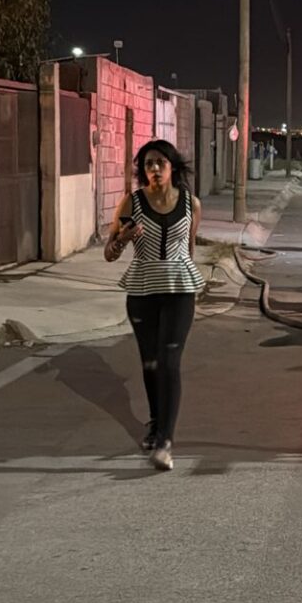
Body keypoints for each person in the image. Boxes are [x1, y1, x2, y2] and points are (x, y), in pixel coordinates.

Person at [104, 139, 204, 471]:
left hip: (179, 290)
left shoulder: (191, 203)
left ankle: (165, 442)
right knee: (150, 363)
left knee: (169, 361)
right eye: (148, 164)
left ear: (173, 167)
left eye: (161, 162)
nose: (155, 169)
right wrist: (124, 237)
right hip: (142, 291)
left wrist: (189, 281)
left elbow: (189, 248)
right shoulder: (131, 203)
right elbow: (109, 254)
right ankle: (155, 422)